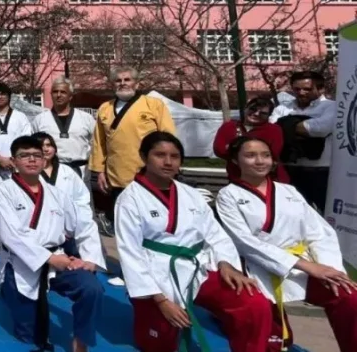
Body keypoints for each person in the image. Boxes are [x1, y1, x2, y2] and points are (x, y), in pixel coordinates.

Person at [115, 132, 271, 352]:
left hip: (198, 267)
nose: (168, 162)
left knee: (253, 303)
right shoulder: (129, 199)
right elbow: (129, 252)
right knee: (159, 338)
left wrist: (227, 264)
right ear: (143, 156)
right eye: (160, 155)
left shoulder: (190, 194)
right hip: (156, 275)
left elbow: (215, 234)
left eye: (175, 156)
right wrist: (161, 301)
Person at [215, 136, 357, 351]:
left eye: (265, 155)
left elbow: (318, 232)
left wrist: (330, 269)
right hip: (259, 268)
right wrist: (305, 265)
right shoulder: (228, 195)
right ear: (236, 160)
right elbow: (245, 242)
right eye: (250, 155)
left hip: (303, 268)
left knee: (349, 297)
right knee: (270, 334)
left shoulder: (288, 191)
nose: (260, 161)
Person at [0, 136, 105, 352]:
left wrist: (90, 259)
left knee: (92, 288)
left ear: (44, 161)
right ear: (14, 161)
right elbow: (12, 235)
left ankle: (81, 339)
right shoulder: (4, 191)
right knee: (28, 335)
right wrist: (50, 258)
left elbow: (83, 223)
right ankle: (8, 291)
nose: (32, 160)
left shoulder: (57, 194)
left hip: (59, 259)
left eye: (37, 155)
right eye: (24, 155)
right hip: (22, 263)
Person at [88, 67, 176, 241]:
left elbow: (169, 137)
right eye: (118, 80)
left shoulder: (153, 105)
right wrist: (99, 171)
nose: (123, 83)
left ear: (137, 83)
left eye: (127, 80)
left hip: (149, 175)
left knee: (153, 225)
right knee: (125, 227)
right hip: (117, 176)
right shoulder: (105, 108)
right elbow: (99, 143)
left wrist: (169, 164)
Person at [269, 71, 335, 211]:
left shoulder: (332, 107)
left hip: (321, 172)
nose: (301, 92)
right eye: (297, 89)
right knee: (293, 214)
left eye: (307, 89)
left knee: (325, 214)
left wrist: (286, 126)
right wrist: (302, 128)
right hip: (289, 170)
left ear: (321, 88)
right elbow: (273, 130)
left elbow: (320, 129)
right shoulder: (282, 108)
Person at [34, 132, 95, 259]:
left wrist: (74, 224)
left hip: (70, 228)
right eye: (41, 146)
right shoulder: (31, 174)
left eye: (49, 145)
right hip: (43, 229)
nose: (46, 149)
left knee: (76, 262)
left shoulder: (67, 171)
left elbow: (81, 198)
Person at [32, 77, 97, 179]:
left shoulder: (86, 118)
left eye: (63, 92)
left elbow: (96, 144)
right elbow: (32, 146)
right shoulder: (40, 119)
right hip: (50, 170)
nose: (58, 95)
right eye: (55, 92)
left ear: (70, 96)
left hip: (81, 171)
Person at [213, 97, 287, 184]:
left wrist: (233, 149)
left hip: (268, 180)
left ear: (269, 115)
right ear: (246, 108)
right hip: (236, 178)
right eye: (252, 109)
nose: (256, 114)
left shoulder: (274, 130)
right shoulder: (229, 127)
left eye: (263, 113)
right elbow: (219, 150)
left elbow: (272, 154)